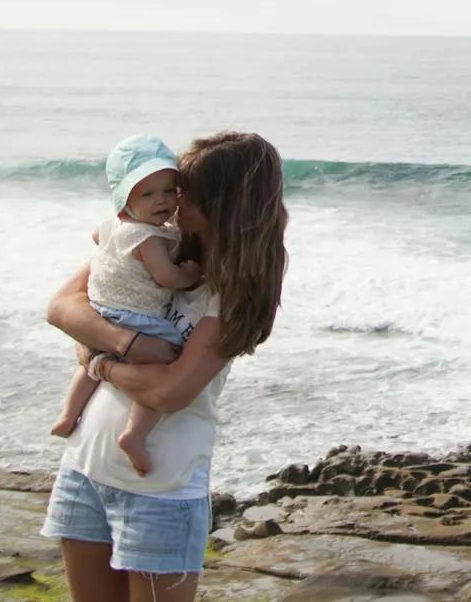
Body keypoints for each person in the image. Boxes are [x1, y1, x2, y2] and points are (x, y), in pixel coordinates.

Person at [44, 132, 288, 602]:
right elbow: (61, 308)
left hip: (159, 490)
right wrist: (122, 343)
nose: (176, 197)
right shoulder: (157, 245)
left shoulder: (233, 290)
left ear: (225, 202)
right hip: (83, 470)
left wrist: (98, 361)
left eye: (188, 190)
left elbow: (171, 392)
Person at [51, 135, 205, 474]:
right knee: (167, 356)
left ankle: (68, 414)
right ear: (125, 199)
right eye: (147, 194)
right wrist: (188, 273)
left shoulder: (115, 226)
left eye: (168, 191)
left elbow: (97, 237)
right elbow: (166, 277)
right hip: (136, 317)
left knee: (88, 365)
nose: (161, 201)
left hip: (102, 305)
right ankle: (134, 434)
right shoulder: (149, 238)